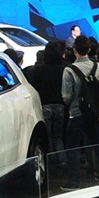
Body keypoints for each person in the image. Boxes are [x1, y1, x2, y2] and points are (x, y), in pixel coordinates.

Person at [61, 35, 99, 190]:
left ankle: (74, 182)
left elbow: (66, 96)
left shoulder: (69, 70)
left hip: (76, 113)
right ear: (89, 49)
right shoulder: (97, 66)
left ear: (75, 50)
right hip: (95, 113)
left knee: (72, 148)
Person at [26, 40, 67, 168]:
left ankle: (50, 165)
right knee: (58, 136)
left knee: (47, 137)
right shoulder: (64, 69)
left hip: (44, 105)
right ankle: (62, 161)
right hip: (60, 106)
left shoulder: (37, 70)